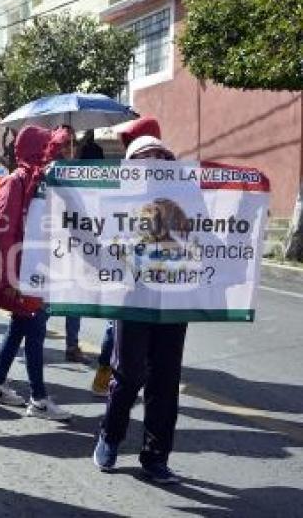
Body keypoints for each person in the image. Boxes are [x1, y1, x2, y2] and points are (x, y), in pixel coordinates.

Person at [93, 135, 187, 484]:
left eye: (160, 158)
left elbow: (208, 236)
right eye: (145, 158)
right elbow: (100, 242)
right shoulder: (118, 198)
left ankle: (156, 456)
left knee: (165, 379)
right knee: (129, 374)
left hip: (173, 299)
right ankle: (110, 436)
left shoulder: (185, 197)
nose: (153, 163)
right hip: (131, 298)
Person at [0, 126, 71, 421]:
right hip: (23, 273)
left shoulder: (39, 182)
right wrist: (12, 278)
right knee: (34, 329)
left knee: (20, 327)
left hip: (35, 269)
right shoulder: (16, 181)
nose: (55, 154)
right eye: (50, 149)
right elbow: (5, 233)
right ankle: (39, 399)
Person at [91, 116, 162, 394]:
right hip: (130, 267)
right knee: (118, 323)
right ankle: (113, 375)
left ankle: (117, 373)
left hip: (157, 269)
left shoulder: (174, 175)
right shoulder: (124, 177)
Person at [64, 131, 105, 363]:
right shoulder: (65, 178)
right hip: (65, 248)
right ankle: (69, 344)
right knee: (60, 299)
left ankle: (72, 344)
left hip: (80, 248)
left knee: (75, 299)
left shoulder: (97, 187)